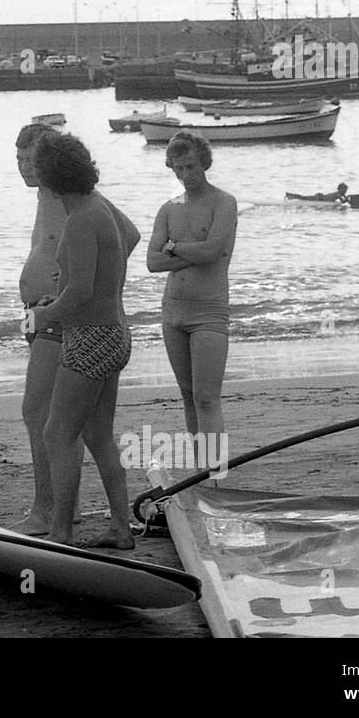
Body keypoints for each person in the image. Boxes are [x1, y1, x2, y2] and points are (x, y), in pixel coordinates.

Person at [14, 124, 141, 536]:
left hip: (91, 336)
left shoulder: (82, 218)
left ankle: (60, 530)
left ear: (52, 176)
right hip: (110, 332)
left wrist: (47, 313)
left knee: (57, 431)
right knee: (98, 435)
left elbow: (80, 291)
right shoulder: (93, 208)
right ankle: (121, 529)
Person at [147, 130, 237, 476]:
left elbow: (213, 251)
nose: (185, 174)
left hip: (209, 311)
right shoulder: (168, 209)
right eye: (178, 168)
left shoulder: (223, 202)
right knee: (187, 395)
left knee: (207, 397)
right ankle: (202, 471)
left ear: (204, 163)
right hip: (173, 311)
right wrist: (188, 252)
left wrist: (173, 247)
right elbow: (152, 262)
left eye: (190, 166)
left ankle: (218, 473)